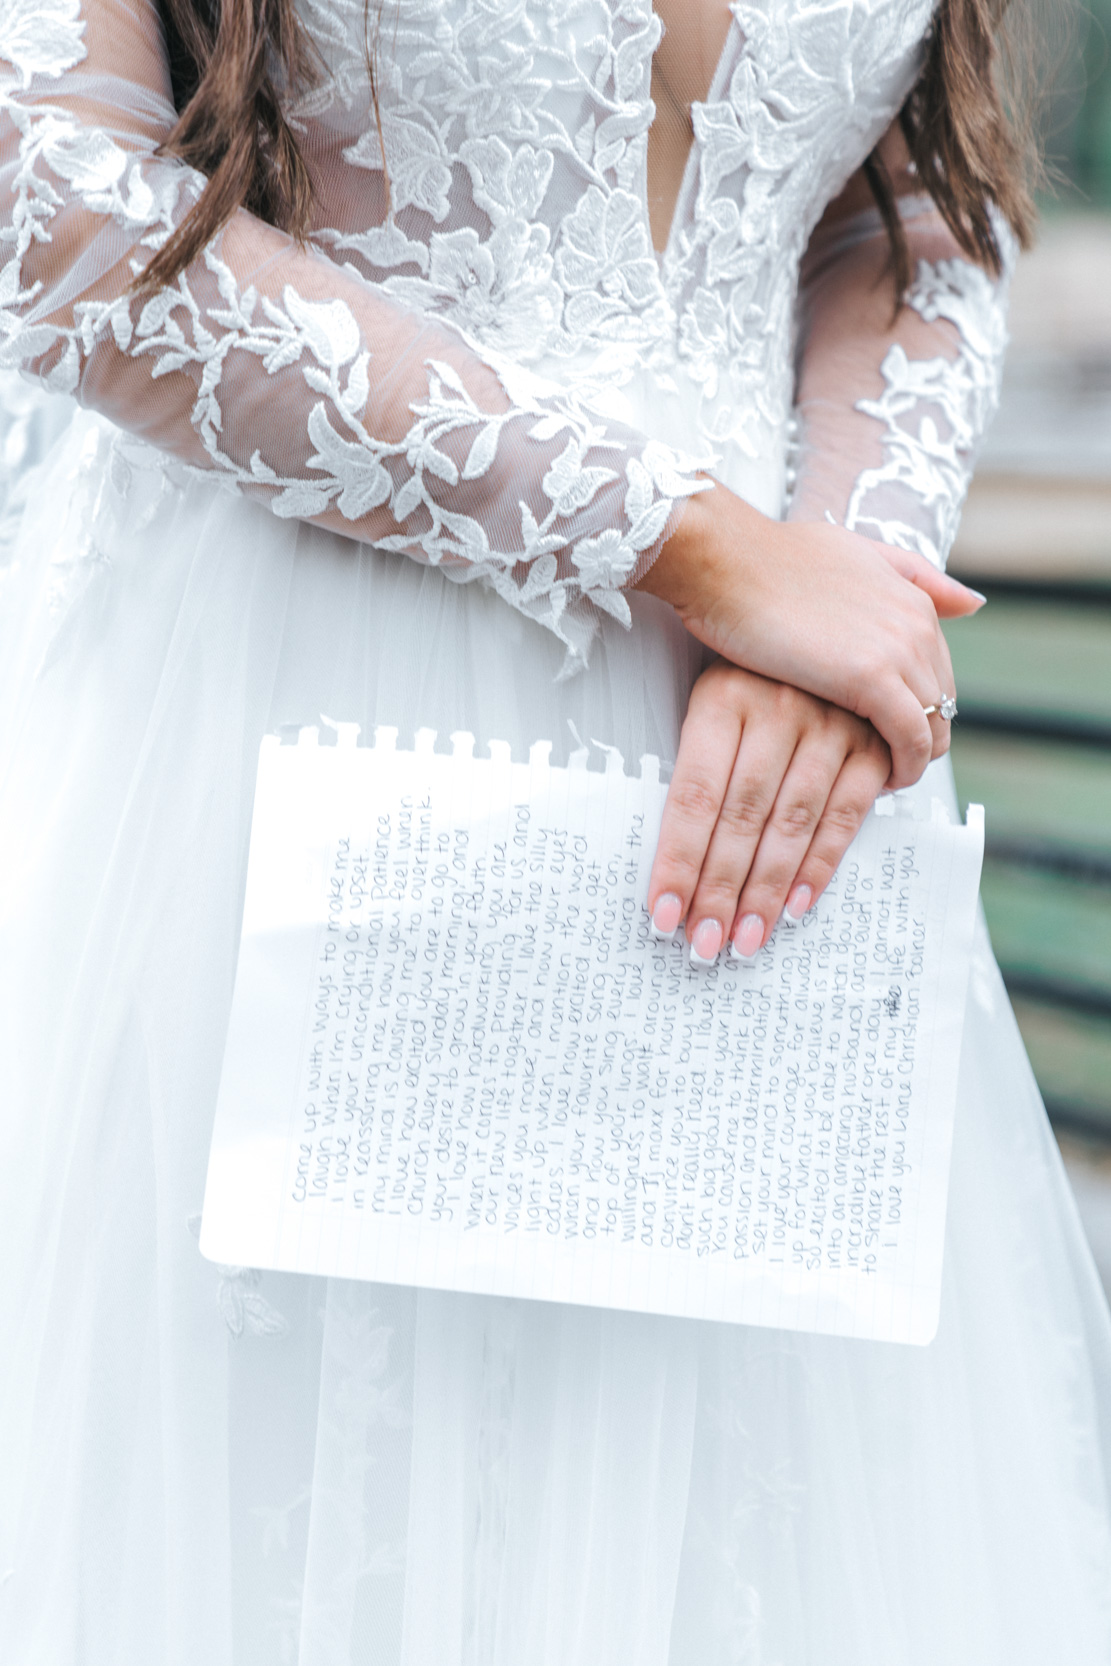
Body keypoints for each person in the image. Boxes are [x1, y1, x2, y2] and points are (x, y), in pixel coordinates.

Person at [1, 0, 1109, 1659]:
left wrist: (848, 589)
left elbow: (922, 223)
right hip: (286, 704)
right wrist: (689, 544)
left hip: (760, 774)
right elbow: (58, 214)